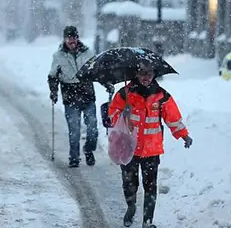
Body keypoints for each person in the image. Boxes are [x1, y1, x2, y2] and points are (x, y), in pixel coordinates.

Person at [108, 61, 193, 228]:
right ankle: (131, 207)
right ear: (136, 74)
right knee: (129, 184)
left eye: (149, 73)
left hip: (151, 149)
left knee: (150, 186)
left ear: (154, 74)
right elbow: (112, 115)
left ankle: (147, 221)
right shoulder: (125, 94)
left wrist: (184, 135)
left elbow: (173, 118)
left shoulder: (162, 95)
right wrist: (121, 113)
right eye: (142, 73)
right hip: (128, 147)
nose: (146, 77)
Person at [48, 25, 114, 168]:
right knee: (74, 130)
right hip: (70, 96)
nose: (72, 41)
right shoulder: (58, 56)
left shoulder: (87, 53)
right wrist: (53, 91)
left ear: (78, 38)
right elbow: (53, 76)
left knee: (92, 128)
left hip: (87, 94)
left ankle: (89, 150)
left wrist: (107, 84)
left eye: (74, 37)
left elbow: (97, 72)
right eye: (69, 38)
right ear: (65, 39)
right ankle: (74, 157)